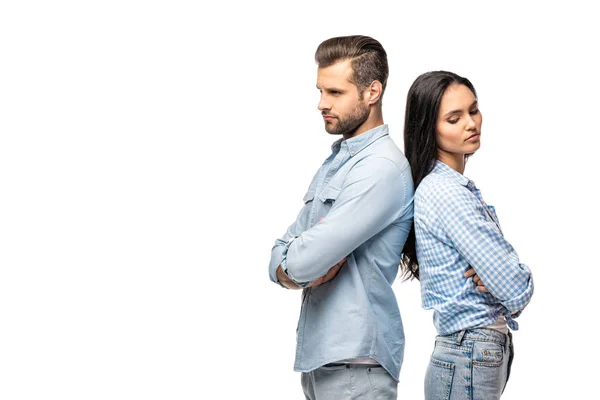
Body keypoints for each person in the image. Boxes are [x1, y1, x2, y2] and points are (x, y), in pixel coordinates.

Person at [268, 35, 414, 400]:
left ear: (372, 92)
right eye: (320, 91)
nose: (321, 104)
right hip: (326, 362)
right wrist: (287, 268)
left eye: (334, 92)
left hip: (357, 369)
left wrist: (295, 265)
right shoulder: (339, 162)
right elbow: (281, 252)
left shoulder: (380, 168)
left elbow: (304, 258)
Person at [401, 70, 534, 400]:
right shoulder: (448, 193)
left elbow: (506, 284)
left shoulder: (449, 187)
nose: (471, 124)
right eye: (453, 118)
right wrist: (510, 280)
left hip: (474, 349)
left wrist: (498, 279)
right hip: (469, 349)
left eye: (473, 110)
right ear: (428, 128)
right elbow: (516, 289)